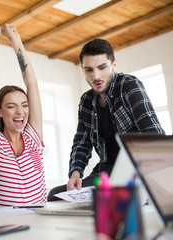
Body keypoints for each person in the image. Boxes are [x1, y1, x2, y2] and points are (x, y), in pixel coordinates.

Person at [47, 39, 165, 201]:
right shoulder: (86, 101)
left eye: (102, 67)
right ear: (82, 69)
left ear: (114, 64)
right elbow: (82, 143)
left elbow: (154, 134)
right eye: (89, 70)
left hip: (135, 171)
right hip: (106, 173)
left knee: (115, 199)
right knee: (56, 195)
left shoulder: (129, 86)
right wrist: (75, 173)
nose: (95, 76)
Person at [0, 22, 47, 207]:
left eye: (24, 105)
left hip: (40, 223)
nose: (20, 112)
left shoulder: (33, 137)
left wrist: (15, 39)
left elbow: (32, 84)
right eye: (11, 106)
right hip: (8, 226)